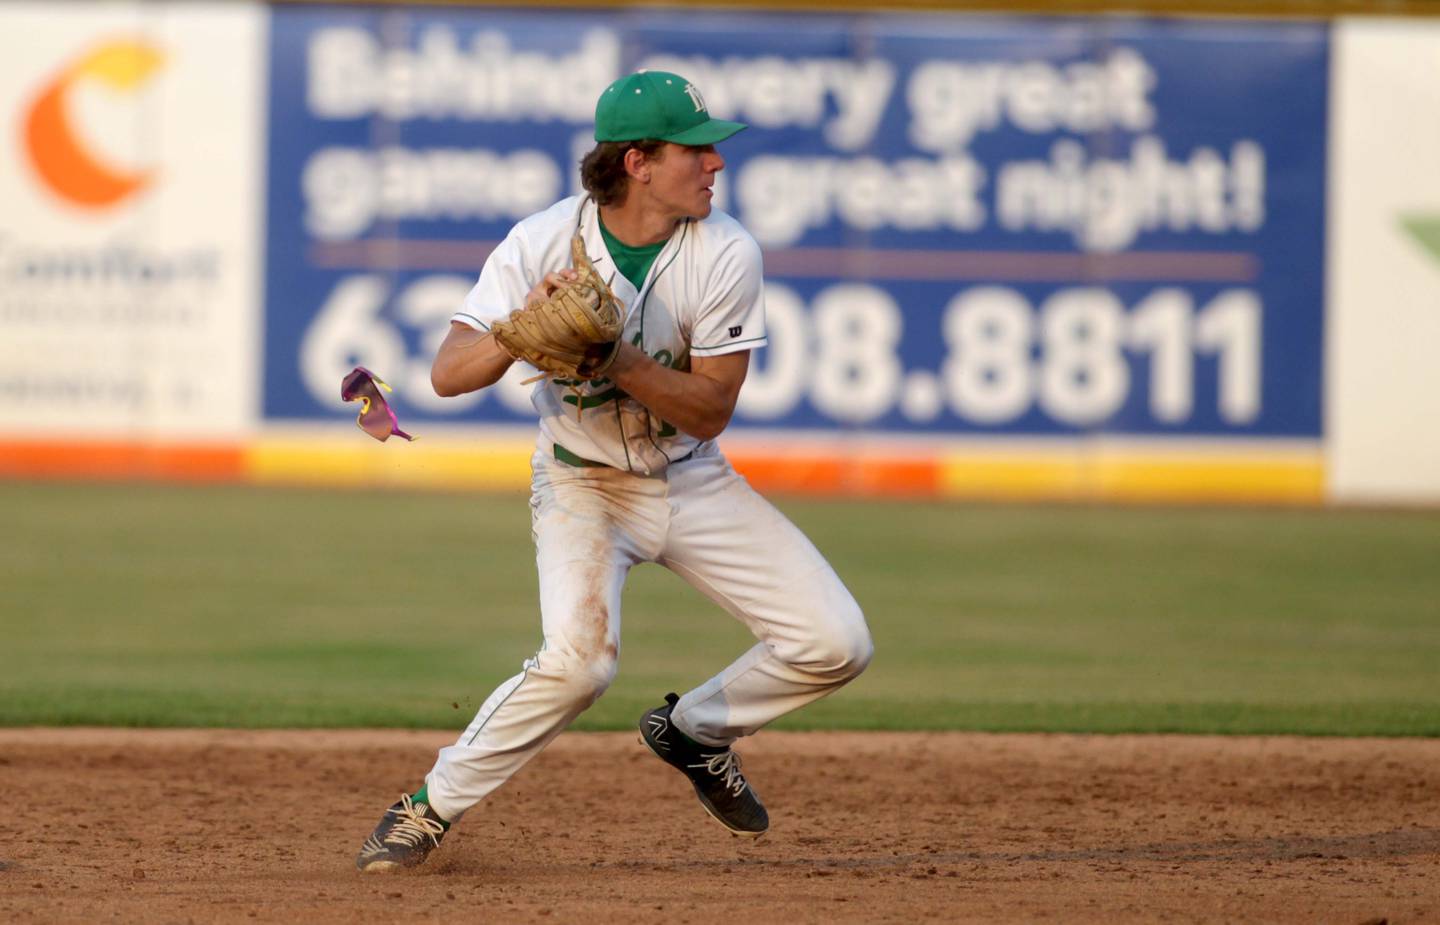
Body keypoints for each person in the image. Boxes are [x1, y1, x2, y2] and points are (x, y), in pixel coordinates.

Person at [356, 70, 873, 872]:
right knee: (580, 663)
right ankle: (428, 805)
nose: (715, 165)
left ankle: (697, 730)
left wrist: (616, 357)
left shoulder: (727, 249)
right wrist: (520, 331)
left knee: (835, 642)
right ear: (637, 162)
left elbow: (708, 409)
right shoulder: (540, 240)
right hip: (582, 483)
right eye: (694, 150)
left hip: (693, 477)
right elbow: (449, 373)